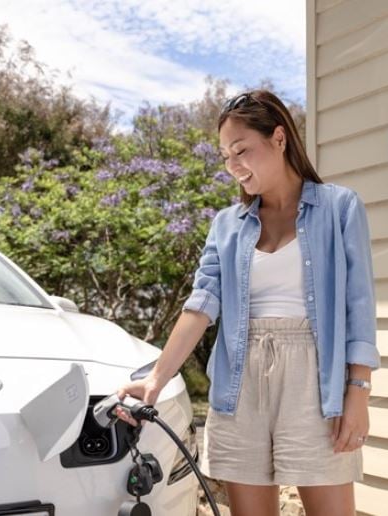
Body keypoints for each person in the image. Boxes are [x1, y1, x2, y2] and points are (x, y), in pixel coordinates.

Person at [115, 90, 380, 516]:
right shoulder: (227, 225)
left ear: (279, 138)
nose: (233, 165)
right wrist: (157, 378)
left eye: (242, 150)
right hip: (240, 381)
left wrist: (358, 395)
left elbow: (358, 307)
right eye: (225, 156)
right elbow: (200, 305)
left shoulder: (338, 207)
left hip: (316, 379)